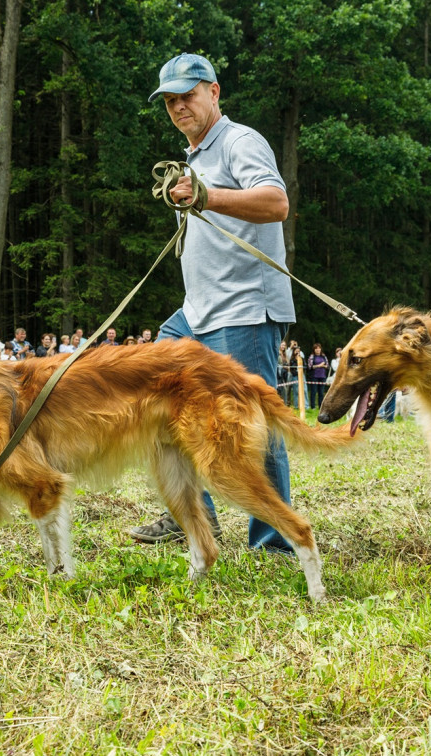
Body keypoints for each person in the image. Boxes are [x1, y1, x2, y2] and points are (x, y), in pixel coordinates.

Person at [128, 52, 296, 551]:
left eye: (188, 95)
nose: (179, 106)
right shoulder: (193, 157)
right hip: (197, 311)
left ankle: (275, 539)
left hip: (244, 308)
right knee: (152, 392)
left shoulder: (240, 141)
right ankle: (193, 515)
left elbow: (276, 203)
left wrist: (207, 196)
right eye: (171, 100)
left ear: (214, 92)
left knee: (252, 424)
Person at [305, 343, 330, 410]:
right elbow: (310, 366)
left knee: (321, 393)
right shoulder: (312, 356)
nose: (318, 349)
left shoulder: (324, 356)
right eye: (316, 348)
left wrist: (322, 365)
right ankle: (313, 406)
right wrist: (319, 365)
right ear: (314, 349)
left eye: (319, 348)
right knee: (313, 392)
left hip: (322, 376)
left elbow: (327, 366)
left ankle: (320, 406)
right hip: (314, 376)